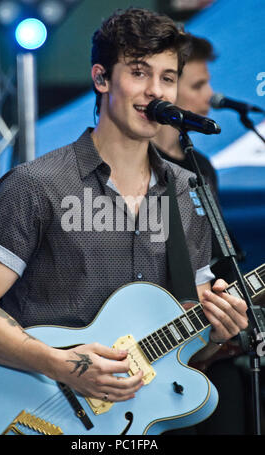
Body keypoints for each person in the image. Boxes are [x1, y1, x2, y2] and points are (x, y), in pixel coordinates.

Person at [0, 8, 248, 432]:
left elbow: (190, 345)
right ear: (101, 78)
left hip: (133, 423)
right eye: (139, 72)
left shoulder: (187, 191)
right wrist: (62, 365)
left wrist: (219, 332)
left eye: (167, 78)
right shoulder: (36, 185)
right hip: (37, 410)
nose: (155, 91)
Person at [153, 33, 248, 434]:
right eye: (197, 85)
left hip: (206, 347)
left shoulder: (200, 166)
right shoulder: (134, 168)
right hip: (152, 349)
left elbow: (219, 258)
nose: (211, 94)